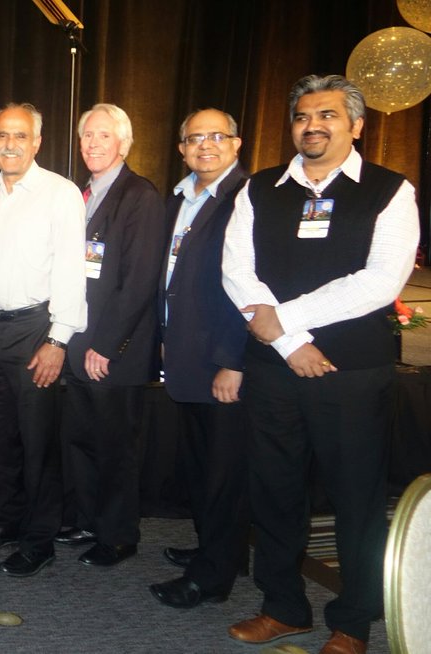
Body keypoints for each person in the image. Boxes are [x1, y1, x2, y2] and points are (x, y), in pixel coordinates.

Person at [223, 74, 418, 654]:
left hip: (351, 373)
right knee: (275, 492)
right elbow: (238, 271)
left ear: (356, 125)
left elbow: (382, 281)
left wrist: (285, 322)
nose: (313, 126)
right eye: (304, 117)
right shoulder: (260, 188)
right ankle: (283, 606)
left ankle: (353, 623)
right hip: (275, 371)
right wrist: (288, 345)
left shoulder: (390, 190)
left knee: (356, 498)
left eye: (328, 116)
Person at [0, 103, 87, 578]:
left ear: (37, 141)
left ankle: (39, 541)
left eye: (20, 136)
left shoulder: (60, 193)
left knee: (39, 443)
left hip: (36, 331)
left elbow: (73, 271)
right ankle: (6, 523)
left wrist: (58, 340)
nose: (9, 144)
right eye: (0, 136)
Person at [149, 109, 250, 608]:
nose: (204, 146)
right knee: (202, 466)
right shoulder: (182, 197)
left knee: (223, 472)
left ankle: (211, 578)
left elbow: (250, 287)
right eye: (194, 138)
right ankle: (217, 548)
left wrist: (235, 359)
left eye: (216, 137)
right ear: (181, 148)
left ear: (236, 143)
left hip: (222, 359)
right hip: (187, 354)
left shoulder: (247, 198)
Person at [59, 103, 166, 567]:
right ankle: (88, 519)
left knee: (116, 447)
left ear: (124, 144)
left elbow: (139, 279)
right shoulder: (82, 193)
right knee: (81, 439)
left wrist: (107, 345)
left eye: (104, 136)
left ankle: (119, 535)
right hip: (80, 342)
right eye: (87, 136)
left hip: (113, 351)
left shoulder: (139, 195)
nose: (93, 144)